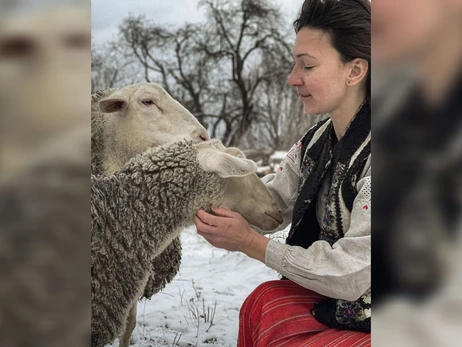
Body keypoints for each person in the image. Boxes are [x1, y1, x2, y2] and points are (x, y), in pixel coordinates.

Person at [194, 0, 371, 346]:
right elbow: (271, 204)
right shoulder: (316, 142)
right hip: (352, 302)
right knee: (264, 303)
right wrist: (199, 180)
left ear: (354, 71)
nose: (293, 79)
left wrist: (251, 243)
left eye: (307, 65)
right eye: (294, 64)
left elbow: (353, 273)